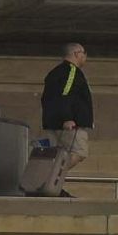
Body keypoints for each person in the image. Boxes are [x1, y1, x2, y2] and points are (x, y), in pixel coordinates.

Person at [40, 43, 92, 179]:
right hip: (69, 124)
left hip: (53, 122)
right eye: (84, 53)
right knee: (79, 152)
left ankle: (52, 184)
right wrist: (66, 118)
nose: (85, 56)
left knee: (58, 154)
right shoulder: (71, 71)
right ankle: (50, 178)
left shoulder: (54, 73)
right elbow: (65, 94)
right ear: (76, 54)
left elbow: (47, 98)